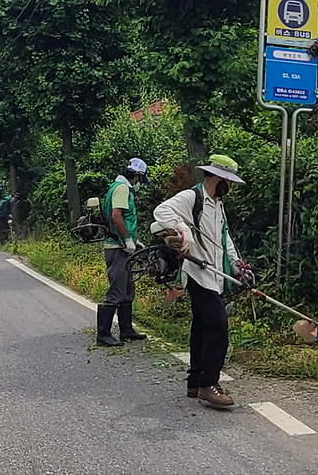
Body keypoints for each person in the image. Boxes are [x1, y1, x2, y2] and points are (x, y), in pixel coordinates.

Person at [153, 154, 249, 408]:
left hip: (214, 273)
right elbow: (160, 211)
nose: (229, 188)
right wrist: (183, 232)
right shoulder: (191, 197)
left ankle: (195, 382)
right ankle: (209, 383)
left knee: (201, 327)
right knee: (218, 325)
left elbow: (224, 238)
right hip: (198, 273)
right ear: (218, 178)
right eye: (228, 182)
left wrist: (239, 266)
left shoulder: (217, 203)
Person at [97, 158, 150, 347]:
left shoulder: (118, 187)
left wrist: (133, 241)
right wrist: (127, 238)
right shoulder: (122, 188)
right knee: (117, 290)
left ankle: (126, 330)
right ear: (136, 175)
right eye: (139, 180)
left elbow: (120, 219)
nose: (139, 184)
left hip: (123, 246)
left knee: (128, 289)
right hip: (117, 247)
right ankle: (103, 334)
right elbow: (116, 216)